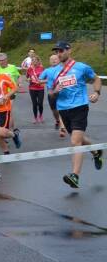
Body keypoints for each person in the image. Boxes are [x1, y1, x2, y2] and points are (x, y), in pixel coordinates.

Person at [46, 41, 103, 188]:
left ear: (69, 50)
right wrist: (55, 91)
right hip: (63, 109)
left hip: (80, 107)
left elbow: (96, 78)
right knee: (78, 139)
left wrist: (96, 92)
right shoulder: (53, 72)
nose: (59, 54)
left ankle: (75, 176)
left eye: (61, 51)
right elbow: (50, 94)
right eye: (57, 51)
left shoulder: (82, 67)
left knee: (75, 141)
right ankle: (96, 151)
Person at [38, 54, 67, 137]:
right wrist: (48, 80)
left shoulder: (63, 69)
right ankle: (57, 120)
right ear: (49, 61)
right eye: (52, 59)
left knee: (61, 109)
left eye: (55, 59)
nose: (54, 60)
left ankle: (62, 128)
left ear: (59, 60)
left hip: (62, 92)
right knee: (55, 111)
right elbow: (39, 80)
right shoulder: (47, 70)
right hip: (51, 93)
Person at [26, 55, 45, 123]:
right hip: (32, 88)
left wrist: (43, 81)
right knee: (34, 104)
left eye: (35, 60)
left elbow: (45, 77)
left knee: (40, 103)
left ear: (38, 61)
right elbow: (27, 78)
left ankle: (41, 115)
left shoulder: (42, 68)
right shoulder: (29, 69)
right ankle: (35, 117)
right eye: (32, 60)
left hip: (40, 88)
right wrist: (28, 79)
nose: (34, 62)